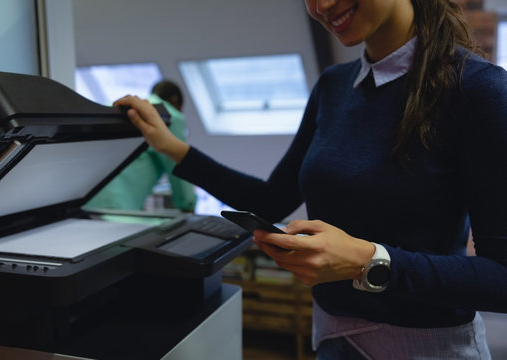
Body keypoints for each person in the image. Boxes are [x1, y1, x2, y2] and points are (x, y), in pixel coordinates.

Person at [112, 0, 507, 358]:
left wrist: (369, 262)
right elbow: (270, 201)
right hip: (332, 341)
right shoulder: (332, 86)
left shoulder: (480, 89)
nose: (321, 6)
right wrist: (171, 147)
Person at [86, 80, 197, 212]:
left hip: (88, 197)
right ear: (175, 100)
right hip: (118, 204)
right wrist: (187, 206)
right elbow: (178, 165)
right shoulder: (169, 115)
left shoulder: (124, 109)